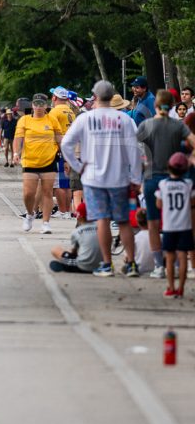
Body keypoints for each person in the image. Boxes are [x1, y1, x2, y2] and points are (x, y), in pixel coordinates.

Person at [59, 80, 143, 277]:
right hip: (120, 178)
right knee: (123, 222)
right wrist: (136, 177)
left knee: (102, 220)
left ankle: (107, 264)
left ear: (95, 97)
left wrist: (79, 166)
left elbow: (66, 144)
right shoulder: (125, 120)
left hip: (93, 178)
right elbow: (135, 151)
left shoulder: (85, 119)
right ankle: (131, 263)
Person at [136, 89, 195, 279]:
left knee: (153, 223)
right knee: (178, 221)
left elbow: (135, 150)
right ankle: (178, 262)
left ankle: (159, 266)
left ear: (155, 105)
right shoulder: (178, 127)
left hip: (152, 177)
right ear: (172, 106)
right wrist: (189, 159)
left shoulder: (146, 124)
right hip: (175, 177)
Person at [13, 93, 64, 234]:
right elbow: (18, 138)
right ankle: (30, 214)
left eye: (42, 104)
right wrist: (16, 153)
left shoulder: (52, 119)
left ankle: (46, 223)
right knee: (28, 193)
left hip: (49, 161)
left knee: (47, 192)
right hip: (30, 161)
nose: (39, 107)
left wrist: (65, 158)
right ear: (32, 105)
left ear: (46, 105)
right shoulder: (24, 120)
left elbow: (59, 139)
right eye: (36, 104)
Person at [154, 152, 194, 297]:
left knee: (170, 258)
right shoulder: (188, 185)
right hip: (185, 225)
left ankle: (171, 287)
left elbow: (158, 204)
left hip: (169, 226)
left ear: (169, 167)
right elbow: (192, 202)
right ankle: (181, 288)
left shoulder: (163, 184)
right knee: (183, 256)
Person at [49, 203, 100, 273]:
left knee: (55, 250)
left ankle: (66, 266)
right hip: (101, 265)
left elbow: (75, 252)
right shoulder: (102, 229)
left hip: (83, 266)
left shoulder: (77, 231)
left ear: (79, 216)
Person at [49, 87, 76, 218]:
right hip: (71, 147)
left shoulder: (54, 112)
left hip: (59, 148)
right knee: (66, 182)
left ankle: (63, 211)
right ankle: (67, 210)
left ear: (54, 98)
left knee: (59, 183)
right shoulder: (70, 110)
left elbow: (52, 132)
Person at [133, 209, 155, 275]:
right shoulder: (159, 237)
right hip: (155, 270)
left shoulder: (135, 238)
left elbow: (127, 258)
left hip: (139, 270)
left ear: (137, 222)